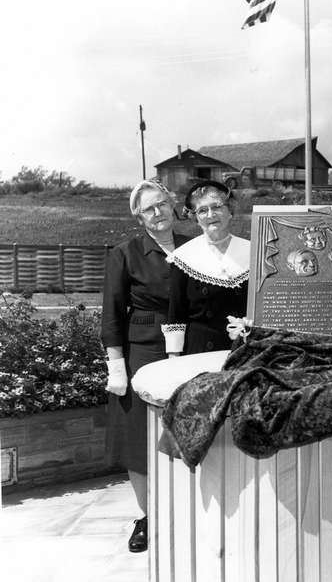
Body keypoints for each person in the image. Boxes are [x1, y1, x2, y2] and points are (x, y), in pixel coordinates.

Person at [101, 179, 190, 553]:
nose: (157, 214)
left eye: (161, 205)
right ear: (139, 217)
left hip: (192, 347)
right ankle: (147, 515)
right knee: (138, 436)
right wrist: (116, 366)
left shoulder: (195, 247)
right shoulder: (126, 252)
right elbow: (111, 315)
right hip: (143, 352)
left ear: (172, 206)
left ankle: (188, 512)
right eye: (148, 209)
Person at [163, 181, 250, 355]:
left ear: (230, 210)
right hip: (201, 350)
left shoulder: (252, 251)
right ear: (195, 217)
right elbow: (176, 316)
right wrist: (174, 358)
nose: (210, 214)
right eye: (202, 210)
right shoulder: (183, 257)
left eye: (217, 206)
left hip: (245, 346)